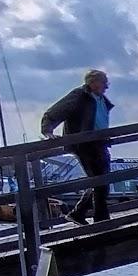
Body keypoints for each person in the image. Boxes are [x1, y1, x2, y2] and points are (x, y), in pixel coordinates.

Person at [41, 69, 114, 224]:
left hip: (99, 142)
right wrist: (48, 131)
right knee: (99, 181)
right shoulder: (79, 96)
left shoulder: (100, 98)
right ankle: (101, 220)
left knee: (102, 181)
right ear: (92, 82)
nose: (106, 86)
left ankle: (80, 213)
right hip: (84, 144)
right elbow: (55, 112)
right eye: (104, 82)